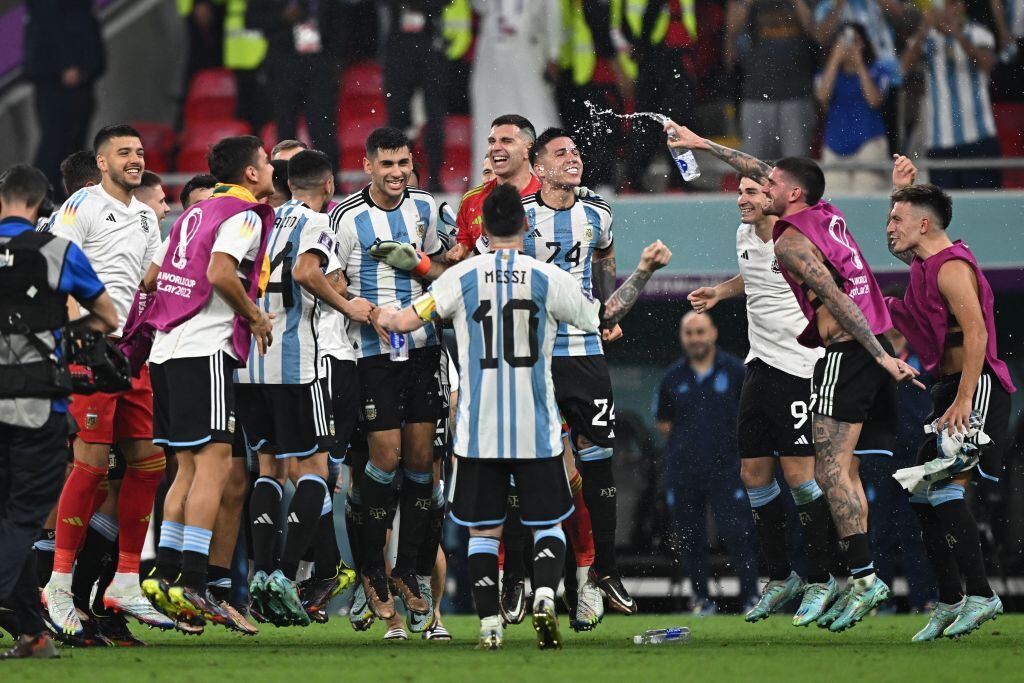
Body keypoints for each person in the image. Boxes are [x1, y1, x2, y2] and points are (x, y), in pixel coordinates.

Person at [664, 121, 922, 630]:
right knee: (762, 473)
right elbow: (760, 171)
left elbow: (838, 299)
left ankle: (839, 579)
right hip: (772, 362)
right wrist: (700, 144)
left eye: (767, 186)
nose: (755, 188)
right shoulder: (819, 213)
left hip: (826, 359)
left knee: (825, 475)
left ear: (788, 194)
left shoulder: (790, 243)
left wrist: (882, 353)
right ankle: (812, 577)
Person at [377, 182, 602, 650]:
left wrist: (372, 304)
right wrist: (643, 271)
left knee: (483, 533)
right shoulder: (546, 277)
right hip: (536, 427)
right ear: (524, 225)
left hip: (478, 432)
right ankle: (543, 593)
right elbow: (596, 317)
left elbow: (402, 323)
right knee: (547, 524)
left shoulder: (460, 277)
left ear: (482, 229)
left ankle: (489, 627)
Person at [477, 127, 632, 616]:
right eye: (561, 153)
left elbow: (605, 256)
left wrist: (607, 310)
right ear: (538, 168)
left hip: (585, 352)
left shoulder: (598, 213)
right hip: (536, 356)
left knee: (597, 460)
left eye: (577, 152)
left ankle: (600, 574)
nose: (574, 159)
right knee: (528, 468)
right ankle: (517, 575)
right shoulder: (520, 219)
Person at [138, 135, 275, 630]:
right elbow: (221, 273)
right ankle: (194, 581)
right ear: (252, 174)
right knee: (215, 466)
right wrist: (254, 315)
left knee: (187, 470)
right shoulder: (240, 214)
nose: (269, 168)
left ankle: (167, 572)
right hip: (205, 347)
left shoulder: (193, 214)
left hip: (167, 348)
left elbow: (156, 278)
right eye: (265, 161)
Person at [688, 174, 837, 626]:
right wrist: (720, 290)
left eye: (752, 192)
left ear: (774, 197)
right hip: (760, 365)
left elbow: (829, 286)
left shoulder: (794, 237)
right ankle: (780, 576)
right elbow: (752, 278)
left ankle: (823, 578)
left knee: (799, 476)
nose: (742, 200)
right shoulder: (742, 235)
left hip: (800, 366)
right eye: (739, 192)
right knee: (752, 474)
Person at [44, 125, 173, 635]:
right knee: (92, 465)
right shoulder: (82, 205)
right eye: (124, 153)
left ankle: (124, 579)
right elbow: (55, 266)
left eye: (139, 152)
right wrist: (79, 330)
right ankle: (56, 585)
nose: (135, 160)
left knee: (148, 462)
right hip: (88, 349)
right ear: (102, 162)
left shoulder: (144, 215)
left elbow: (148, 283)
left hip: (130, 353)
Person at [238, 150, 373, 626]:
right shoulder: (316, 222)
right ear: (329, 184)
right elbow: (304, 272)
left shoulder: (262, 219)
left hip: (253, 362)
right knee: (317, 468)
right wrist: (347, 305)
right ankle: (287, 574)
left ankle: (261, 574)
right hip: (297, 364)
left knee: (269, 469)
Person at [885, 179, 1016, 640]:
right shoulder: (925, 264)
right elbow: (906, 242)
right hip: (948, 389)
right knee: (922, 494)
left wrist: (963, 399)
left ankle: (980, 594)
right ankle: (950, 599)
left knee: (943, 488)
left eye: (897, 219)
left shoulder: (951, 267)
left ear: (924, 224)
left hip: (974, 388)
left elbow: (977, 334)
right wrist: (899, 191)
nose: (889, 227)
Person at [327, 127, 447, 620]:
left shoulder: (425, 207)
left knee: (422, 463)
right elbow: (332, 280)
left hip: (423, 348)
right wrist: (366, 310)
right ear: (368, 165)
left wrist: (420, 264)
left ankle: (409, 569)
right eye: (388, 164)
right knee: (385, 459)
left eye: (404, 163)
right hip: (371, 354)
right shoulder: (346, 216)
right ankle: (372, 569)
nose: (397, 172)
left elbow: (442, 270)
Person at [0, 164, 117, 660]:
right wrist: (57, 339)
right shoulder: (55, 250)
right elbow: (108, 317)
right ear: (41, 206)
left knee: (7, 518)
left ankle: (30, 632)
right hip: (33, 400)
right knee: (25, 515)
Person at [654, 312, 760, 615]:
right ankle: (701, 599)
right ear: (682, 337)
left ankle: (751, 597)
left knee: (739, 534)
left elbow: (749, 418)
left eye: (700, 331)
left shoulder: (736, 370)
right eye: (689, 333)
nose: (695, 338)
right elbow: (663, 422)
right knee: (690, 538)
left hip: (728, 468)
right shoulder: (673, 375)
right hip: (685, 470)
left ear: (713, 332)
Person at [900, 1, 1002, 190]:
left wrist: (957, 35)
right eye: (945, 6)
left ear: (963, 6)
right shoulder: (927, 38)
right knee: (945, 213)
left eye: (954, 4)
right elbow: (902, 70)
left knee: (984, 209)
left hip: (978, 138)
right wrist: (923, 30)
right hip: (941, 143)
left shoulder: (979, 33)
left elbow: (989, 66)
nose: (949, 10)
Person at [470, 2, 563, 182]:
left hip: (528, 52)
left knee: (538, 118)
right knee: (489, 124)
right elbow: (480, 6)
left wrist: (554, 52)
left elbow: (552, 10)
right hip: (492, 57)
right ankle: (488, 184)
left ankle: (550, 181)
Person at [247, 1, 344, 170]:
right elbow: (252, 19)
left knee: (323, 128)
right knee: (285, 126)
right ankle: (285, 181)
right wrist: (282, 17)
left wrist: (334, 58)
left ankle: (329, 180)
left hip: (318, 64)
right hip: (283, 63)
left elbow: (339, 20)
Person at [24, 0, 106, 197]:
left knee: (74, 144)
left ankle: (67, 202)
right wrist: (66, 62)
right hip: (58, 73)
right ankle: (35, 200)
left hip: (82, 68)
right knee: (55, 140)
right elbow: (46, 17)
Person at [724, 0, 820, 160]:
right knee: (754, 168)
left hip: (797, 95)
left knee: (795, 168)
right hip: (756, 95)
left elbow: (815, 32)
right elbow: (731, 32)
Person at [449, 114, 541, 261]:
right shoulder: (471, 200)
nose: (495, 147)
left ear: (527, 150)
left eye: (506, 141)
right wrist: (460, 252)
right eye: (492, 141)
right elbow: (464, 255)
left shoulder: (549, 196)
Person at [380, 1, 450, 192]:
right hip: (398, 47)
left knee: (434, 113)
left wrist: (422, 4)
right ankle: (397, 174)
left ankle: (435, 176)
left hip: (430, 45)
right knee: (397, 115)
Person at [815, 24, 891, 192]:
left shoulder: (877, 70)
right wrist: (835, 59)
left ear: (863, 43)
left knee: (867, 200)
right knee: (834, 203)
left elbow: (874, 100)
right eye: (845, 41)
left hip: (868, 144)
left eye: (855, 41)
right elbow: (822, 96)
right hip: (835, 145)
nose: (850, 46)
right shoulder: (827, 73)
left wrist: (860, 66)